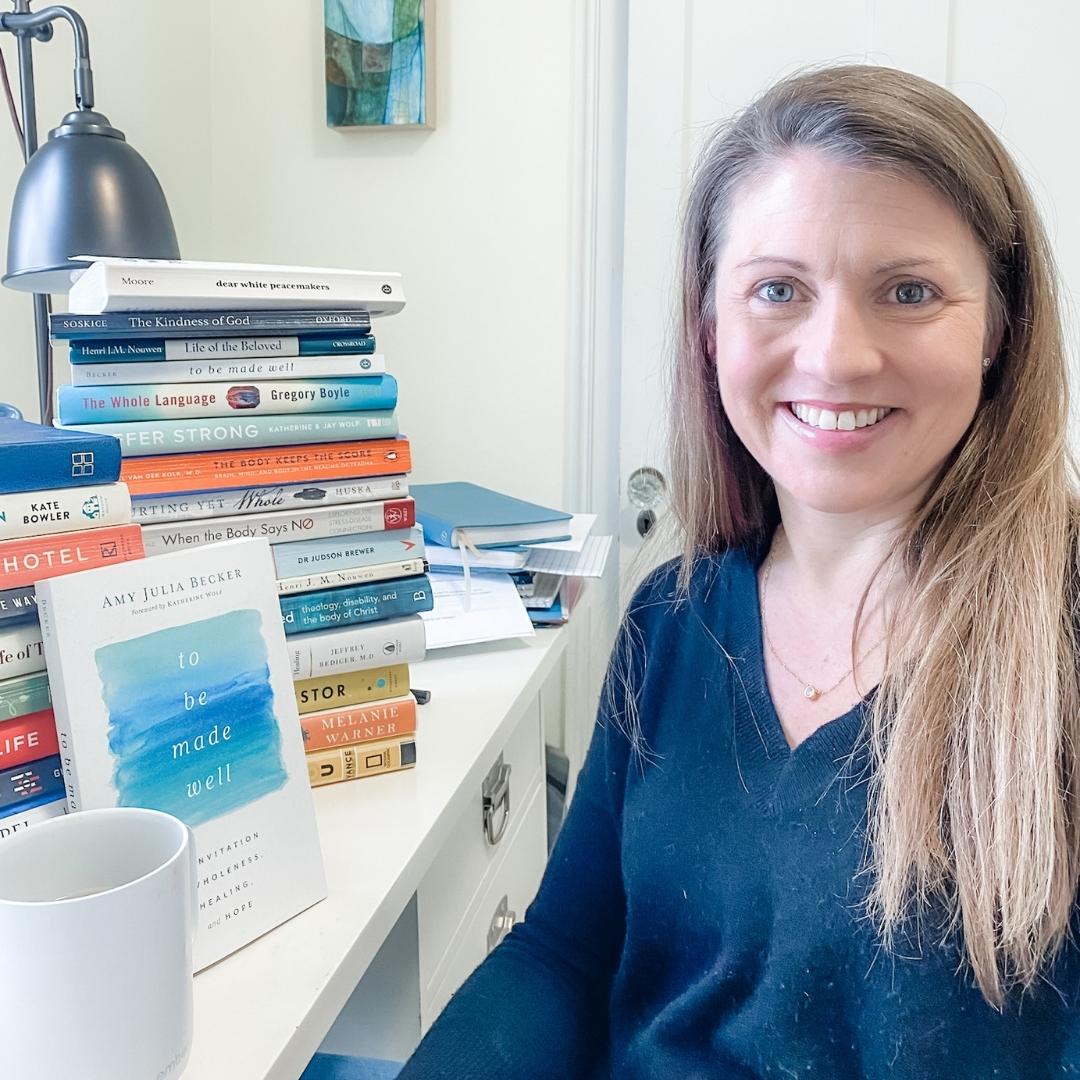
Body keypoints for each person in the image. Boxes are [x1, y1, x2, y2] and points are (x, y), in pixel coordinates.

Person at [393, 64, 1080, 1078]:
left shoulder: (1061, 630)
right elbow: (565, 956)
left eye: (909, 291)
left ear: (1000, 330)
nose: (837, 356)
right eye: (777, 289)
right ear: (711, 327)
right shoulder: (670, 619)